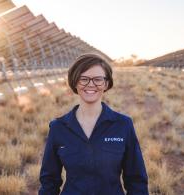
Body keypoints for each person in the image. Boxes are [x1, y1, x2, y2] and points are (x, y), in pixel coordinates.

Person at [38, 53, 149, 195]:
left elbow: (136, 180)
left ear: (106, 83)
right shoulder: (58, 128)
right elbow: (49, 181)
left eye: (98, 79)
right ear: (75, 82)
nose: (91, 85)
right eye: (83, 79)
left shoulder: (123, 125)